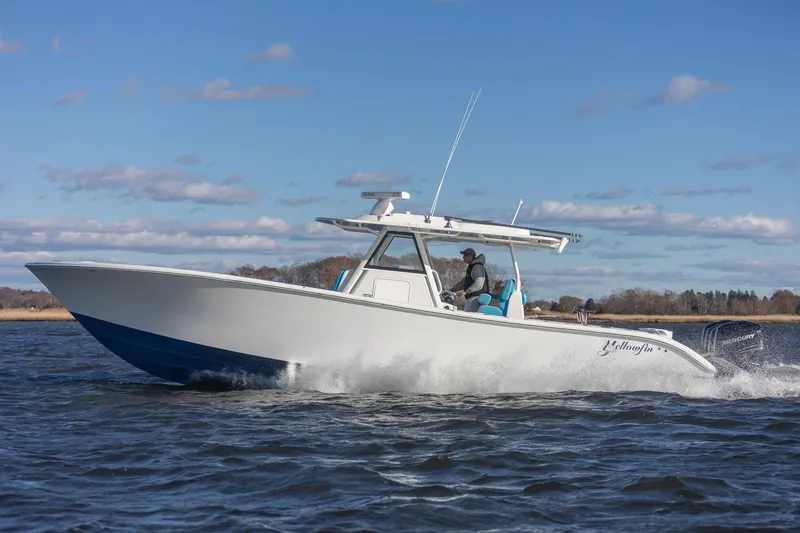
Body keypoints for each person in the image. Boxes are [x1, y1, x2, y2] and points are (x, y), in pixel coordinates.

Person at [450, 247, 491, 312]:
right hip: (472, 297)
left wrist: (466, 291)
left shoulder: (477, 267)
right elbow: (464, 282)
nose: (463, 257)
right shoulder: (472, 267)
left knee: (468, 315)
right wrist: (452, 290)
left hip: (476, 298)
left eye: (464, 256)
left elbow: (479, 283)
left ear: (469, 256)